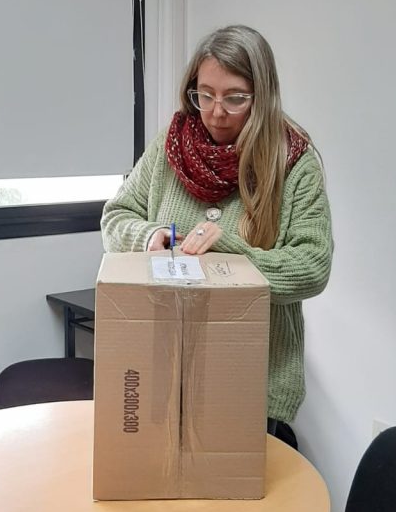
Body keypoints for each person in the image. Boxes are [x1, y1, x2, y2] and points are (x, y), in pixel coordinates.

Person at [101, 24, 333, 453]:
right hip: (166, 366)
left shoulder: (293, 162)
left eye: (235, 98)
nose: (216, 112)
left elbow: (312, 267)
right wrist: (152, 235)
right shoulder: (170, 146)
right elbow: (116, 217)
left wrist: (228, 252)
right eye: (204, 95)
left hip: (251, 377)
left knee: (237, 492)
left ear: (262, 96)